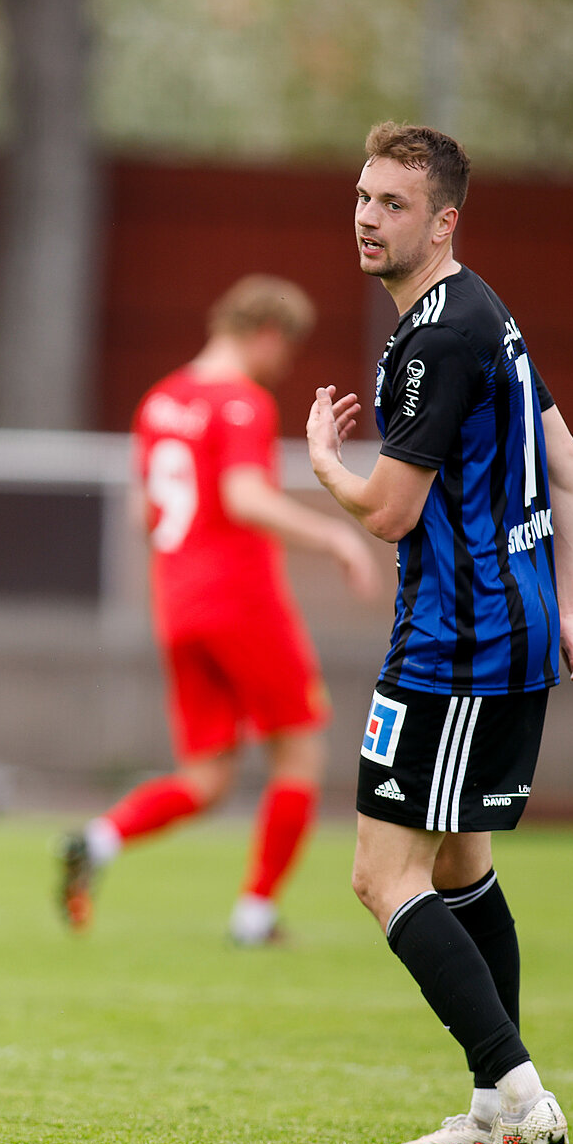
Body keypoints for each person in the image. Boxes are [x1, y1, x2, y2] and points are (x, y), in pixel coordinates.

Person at [307, 122, 573, 1144]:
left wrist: (324, 463)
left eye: (393, 204)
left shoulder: (438, 335)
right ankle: (489, 1106)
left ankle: (523, 1094)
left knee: (382, 876)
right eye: (364, 196)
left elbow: (387, 512)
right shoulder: (488, 314)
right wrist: (566, 607)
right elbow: (568, 467)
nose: (369, 218)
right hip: (505, 636)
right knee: (461, 864)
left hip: (454, 649)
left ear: (444, 220)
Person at [58, 276, 378, 944]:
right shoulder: (242, 401)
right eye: (287, 347)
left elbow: (142, 513)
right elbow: (243, 497)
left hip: (177, 603)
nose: (285, 364)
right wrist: (335, 535)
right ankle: (254, 913)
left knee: (206, 777)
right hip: (241, 599)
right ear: (267, 332)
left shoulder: (160, 400)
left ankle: (99, 839)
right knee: (299, 754)